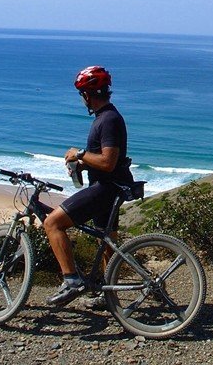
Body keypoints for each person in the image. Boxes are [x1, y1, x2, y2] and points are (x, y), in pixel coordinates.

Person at [43, 65, 133, 306]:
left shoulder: (109, 119)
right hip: (111, 185)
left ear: (87, 94)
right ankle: (109, 294)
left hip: (106, 189)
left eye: (82, 94)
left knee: (52, 223)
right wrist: (83, 166)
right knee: (107, 243)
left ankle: (71, 280)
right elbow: (104, 161)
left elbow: (108, 161)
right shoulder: (106, 117)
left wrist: (80, 153)